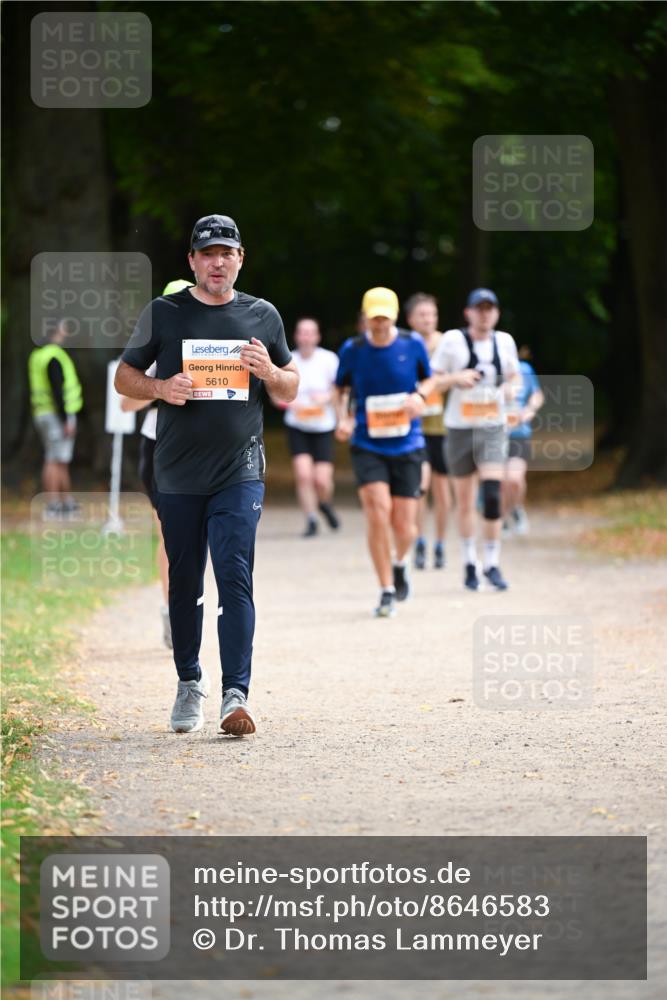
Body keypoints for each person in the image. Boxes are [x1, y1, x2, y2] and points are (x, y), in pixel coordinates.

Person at [115, 214, 298, 736]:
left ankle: (235, 693)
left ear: (241, 259)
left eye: (227, 252)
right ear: (192, 261)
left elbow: (290, 387)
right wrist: (161, 388)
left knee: (235, 575)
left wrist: (270, 373)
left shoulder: (263, 316)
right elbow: (123, 377)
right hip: (176, 473)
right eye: (207, 253)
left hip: (240, 471)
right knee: (185, 581)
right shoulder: (165, 313)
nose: (218, 262)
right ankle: (188, 681)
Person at [334, 287, 430, 618]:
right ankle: (386, 588)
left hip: (407, 443)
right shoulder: (354, 349)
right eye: (373, 318)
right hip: (367, 443)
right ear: (364, 317)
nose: (378, 324)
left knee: (405, 527)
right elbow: (341, 388)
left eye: (384, 318)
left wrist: (420, 398)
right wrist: (342, 418)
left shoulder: (411, 344)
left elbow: (428, 381)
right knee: (378, 510)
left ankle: (400, 563)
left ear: (394, 317)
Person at [427, 288, 520, 592]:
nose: (485, 314)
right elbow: (432, 380)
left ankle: (492, 563)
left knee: (493, 495)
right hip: (459, 428)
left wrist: (511, 390)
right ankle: (470, 562)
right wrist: (456, 379)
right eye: (479, 309)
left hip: (492, 426)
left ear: (496, 313)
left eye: (489, 308)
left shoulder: (504, 341)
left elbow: (515, 377)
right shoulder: (452, 340)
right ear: (468, 313)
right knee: (465, 500)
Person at [120, 280, 194, 649]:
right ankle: (170, 609)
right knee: (168, 533)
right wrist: (160, 388)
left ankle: (186, 604)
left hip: (201, 449)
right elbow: (125, 404)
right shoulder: (153, 348)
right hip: (158, 445)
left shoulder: (209, 345)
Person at [404, 293, 450, 571]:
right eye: (422, 315)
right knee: (419, 489)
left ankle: (441, 543)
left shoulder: (448, 344)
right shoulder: (404, 344)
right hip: (415, 427)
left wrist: (434, 384)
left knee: (443, 491)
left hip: (443, 426)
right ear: (410, 319)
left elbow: (460, 379)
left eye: (432, 314)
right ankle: (419, 540)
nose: (428, 319)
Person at [282, 317, 341, 537]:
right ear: (296, 336)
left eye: (310, 333)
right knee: (304, 475)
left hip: (323, 426)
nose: (306, 337)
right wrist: (287, 401)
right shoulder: (288, 359)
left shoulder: (329, 359)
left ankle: (324, 503)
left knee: (322, 480)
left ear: (317, 336)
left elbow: (340, 390)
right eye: (302, 332)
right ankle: (311, 519)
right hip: (297, 426)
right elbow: (275, 392)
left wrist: (325, 398)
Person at [28, 320, 83, 517]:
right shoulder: (54, 356)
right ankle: (54, 504)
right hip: (56, 415)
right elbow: (57, 389)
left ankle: (63, 502)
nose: (66, 331)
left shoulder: (37, 355)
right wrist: (66, 419)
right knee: (55, 459)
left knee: (57, 458)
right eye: (63, 327)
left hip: (41, 413)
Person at [503, 345, 544, 536]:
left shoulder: (524, 369)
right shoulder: (486, 371)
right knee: (499, 480)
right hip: (493, 434)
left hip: (519, 433)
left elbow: (536, 394)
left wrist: (529, 410)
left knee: (514, 479)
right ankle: (501, 518)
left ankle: (516, 508)